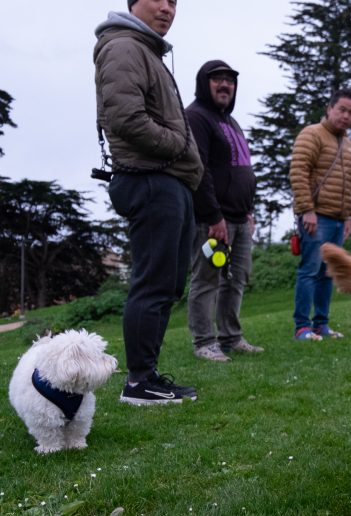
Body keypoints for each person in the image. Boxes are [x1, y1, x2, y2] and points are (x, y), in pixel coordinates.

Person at [94, 0, 203, 404]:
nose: (167, 7)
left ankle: (149, 376)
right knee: (153, 282)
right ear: (133, 3)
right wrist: (180, 146)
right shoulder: (125, 46)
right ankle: (139, 382)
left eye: (174, 1)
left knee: (169, 282)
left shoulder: (145, 49)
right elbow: (124, 117)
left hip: (168, 181)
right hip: (151, 180)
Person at [185, 60, 263, 362]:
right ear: (204, 83)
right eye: (217, 79)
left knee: (237, 278)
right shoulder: (196, 117)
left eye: (229, 81)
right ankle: (204, 341)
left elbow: (240, 171)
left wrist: (248, 211)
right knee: (207, 279)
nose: (224, 85)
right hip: (212, 220)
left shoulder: (230, 122)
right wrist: (213, 215)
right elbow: (199, 170)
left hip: (240, 218)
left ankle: (231, 337)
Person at [290, 88, 351, 341]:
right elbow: (298, 172)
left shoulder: (349, 145)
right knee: (309, 270)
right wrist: (307, 210)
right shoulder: (311, 134)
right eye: (341, 109)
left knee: (327, 273)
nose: (346, 116)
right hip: (316, 217)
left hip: (339, 220)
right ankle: (302, 327)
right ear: (329, 109)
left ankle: (321, 325)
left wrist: (349, 216)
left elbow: (350, 182)